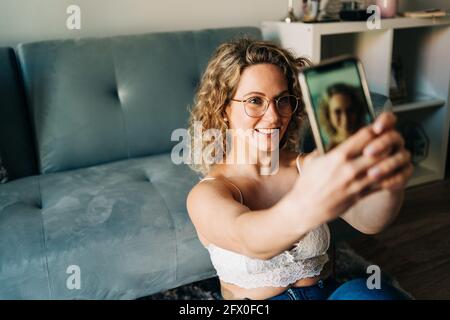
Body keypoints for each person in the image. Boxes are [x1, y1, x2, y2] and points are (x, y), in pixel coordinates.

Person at [186, 38, 413, 300]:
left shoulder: (305, 165)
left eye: (282, 100)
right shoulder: (207, 194)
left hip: (324, 293)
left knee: (375, 294)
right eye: (255, 101)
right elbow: (251, 240)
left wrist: (387, 184)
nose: (273, 116)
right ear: (225, 109)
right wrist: (311, 202)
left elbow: (369, 221)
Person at [318, 83, 368, 151]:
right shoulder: (328, 153)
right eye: (337, 112)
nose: (345, 118)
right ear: (328, 116)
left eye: (350, 110)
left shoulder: (371, 138)